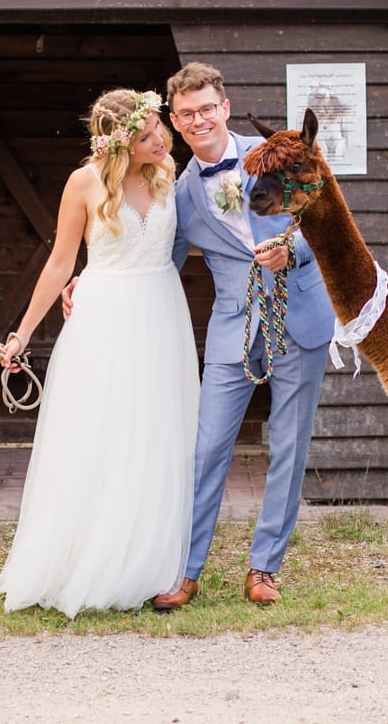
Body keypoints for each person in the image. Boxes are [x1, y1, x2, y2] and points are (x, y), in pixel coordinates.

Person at [0, 88, 201, 617]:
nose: (161, 138)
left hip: (161, 314)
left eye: (159, 128)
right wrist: (22, 334)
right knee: (103, 434)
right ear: (118, 141)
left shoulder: (168, 173)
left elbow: (192, 240)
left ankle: (150, 559)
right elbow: (61, 262)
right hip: (105, 317)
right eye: (148, 133)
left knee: (156, 432)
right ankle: (91, 556)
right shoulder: (83, 184)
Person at [150, 62, 335, 609]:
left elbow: (324, 223)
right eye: (188, 114)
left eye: (208, 108)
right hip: (233, 327)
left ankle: (264, 568)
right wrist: (91, 287)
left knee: (288, 446)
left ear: (225, 108)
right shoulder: (179, 196)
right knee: (207, 449)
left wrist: (292, 251)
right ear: (176, 123)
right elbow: (155, 264)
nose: (200, 119)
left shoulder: (275, 154)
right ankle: (185, 571)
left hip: (300, 317)